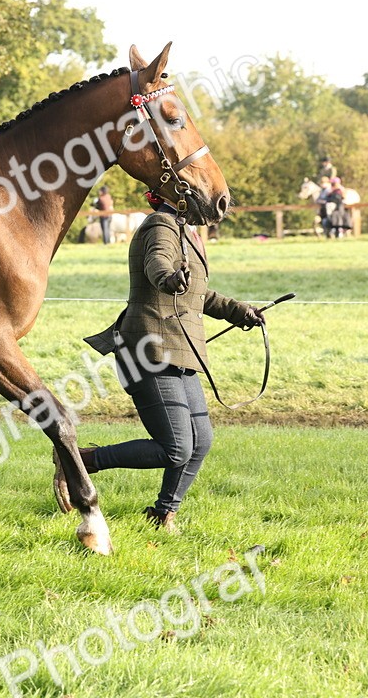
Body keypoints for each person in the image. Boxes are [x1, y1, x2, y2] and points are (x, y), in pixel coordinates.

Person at [82, 190, 265, 532]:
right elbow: (158, 262)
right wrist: (167, 277)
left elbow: (199, 294)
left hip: (180, 348)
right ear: (182, 199)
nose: (214, 210)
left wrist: (239, 311)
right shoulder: (161, 225)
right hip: (149, 348)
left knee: (201, 441)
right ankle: (82, 460)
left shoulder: (186, 231)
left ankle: (163, 513)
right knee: (177, 448)